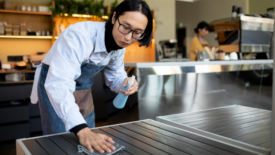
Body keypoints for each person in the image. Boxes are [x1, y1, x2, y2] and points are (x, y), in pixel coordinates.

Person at [30, 0, 153, 153]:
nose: (128, 38)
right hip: (55, 86)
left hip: (84, 89)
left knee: (88, 143)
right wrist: (81, 129)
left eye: (137, 32)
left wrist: (124, 82)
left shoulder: (119, 45)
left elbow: (115, 77)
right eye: (126, 27)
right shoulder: (80, 35)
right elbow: (58, 84)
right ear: (114, 18)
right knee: (60, 142)